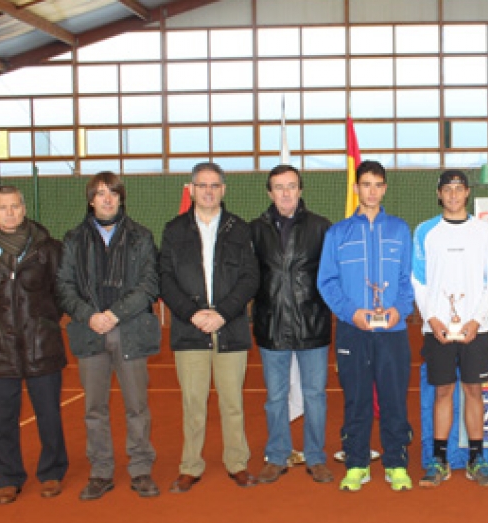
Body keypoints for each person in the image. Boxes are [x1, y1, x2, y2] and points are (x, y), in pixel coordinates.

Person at [56, 171, 162, 501]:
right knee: (95, 409)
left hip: (129, 331)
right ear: (91, 199)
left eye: (112, 193)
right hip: (90, 334)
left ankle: (141, 469)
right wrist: (91, 316)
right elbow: (64, 287)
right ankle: (101, 472)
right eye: (100, 193)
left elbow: (149, 285)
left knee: (137, 407)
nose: (107, 199)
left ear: (120, 198)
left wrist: (115, 314)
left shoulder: (141, 237)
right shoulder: (73, 239)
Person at [0, 186, 69, 505]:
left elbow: (61, 293)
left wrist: (42, 321)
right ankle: (9, 478)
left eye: (15, 206)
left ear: (24, 209)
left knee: (49, 414)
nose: (10, 213)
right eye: (3, 207)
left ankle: (52, 472)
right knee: (3, 418)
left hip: (43, 345)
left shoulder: (50, 248)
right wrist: (1, 325)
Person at [159, 162, 259, 492]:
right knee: (193, 403)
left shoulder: (240, 230)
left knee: (232, 402)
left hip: (230, 328)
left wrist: (223, 313)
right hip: (190, 331)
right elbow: (166, 279)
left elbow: (250, 278)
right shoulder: (174, 231)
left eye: (214, 185)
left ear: (223, 190)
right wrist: (193, 313)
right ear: (191, 189)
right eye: (202, 185)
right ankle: (191, 465)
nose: (208, 191)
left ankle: (237, 462)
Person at [318, 160, 415, 492]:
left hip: (393, 332)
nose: (371, 191)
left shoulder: (401, 230)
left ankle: (396, 464)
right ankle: (357, 463)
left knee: (393, 399)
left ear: (384, 189)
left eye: (378, 184)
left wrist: (398, 311)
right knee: (356, 399)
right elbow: (327, 282)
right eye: (365, 184)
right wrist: (351, 312)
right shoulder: (337, 233)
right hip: (352, 330)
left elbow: (407, 281)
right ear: (356, 188)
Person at [413, 169, 488, 488]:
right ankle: (439, 461)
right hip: (437, 328)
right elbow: (418, 279)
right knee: (442, 392)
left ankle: (477, 459)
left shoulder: (485, 232)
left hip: (475, 328)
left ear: (467, 193)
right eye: (447, 189)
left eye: (458, 189)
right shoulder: (425, 232)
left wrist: (476, 320)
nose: (453, 195)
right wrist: (433, 319)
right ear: (439, 194)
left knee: (474, 391)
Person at [251, 165, 334, 485]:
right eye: (278, 187)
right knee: (275, 397)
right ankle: (277, 455)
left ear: (300, 190)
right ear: (269, 192)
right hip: (271, 326)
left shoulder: (321, 227)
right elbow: (249, 278)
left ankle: (315, 457)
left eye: (291, 186)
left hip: (312, 326)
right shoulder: (254, 230)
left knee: (315, 395)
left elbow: (330, 276)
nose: (285, 193)